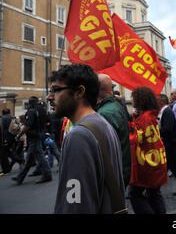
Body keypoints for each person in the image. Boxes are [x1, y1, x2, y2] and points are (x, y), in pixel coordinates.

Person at [48, 64, 126, 214]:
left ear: (79, 92)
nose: (50, 97)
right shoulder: (102, 123)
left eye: (56, 90)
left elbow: (75, 204)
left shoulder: (78, 135)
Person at [128, 87, 167, 213]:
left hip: (147, 163)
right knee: (154, 193)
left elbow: (135, 138)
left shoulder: (144, 119)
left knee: (135, 194)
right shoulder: (150, 116)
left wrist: (130, 126)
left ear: (140, 100)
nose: (131, 99)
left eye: (133, 97)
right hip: (156, 161)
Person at [96, 74, 131, 187]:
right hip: (120, 171)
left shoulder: (105, 113)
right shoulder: (113, 106)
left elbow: (104, 152)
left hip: (113, 176)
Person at [12, 97, 52, 185]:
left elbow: (27, 126)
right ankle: (20, 177)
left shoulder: (31, 112)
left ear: (30, 103)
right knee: (30, 159)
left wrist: (19, 136)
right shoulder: (41, 110)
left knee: (40, 157)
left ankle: (47, 175)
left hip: (33, 137)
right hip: (38, 134)